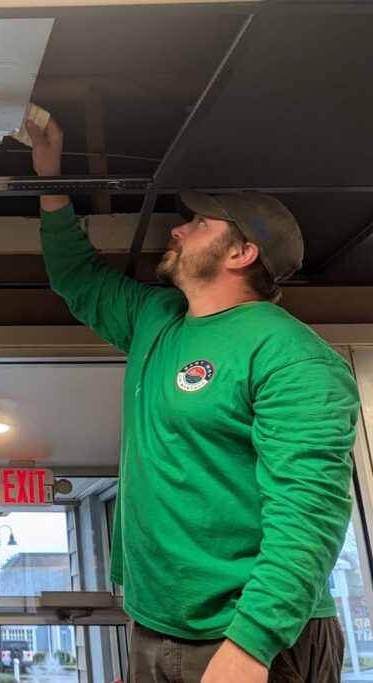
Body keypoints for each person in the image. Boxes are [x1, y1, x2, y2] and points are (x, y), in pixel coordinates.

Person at [27, 118, 359, 682]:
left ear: (241, 253)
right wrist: (49, 177)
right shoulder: (157, 320)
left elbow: (309, 516)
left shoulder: (291, 356)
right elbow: (76, 277)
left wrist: (250, 647)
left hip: (252, 634)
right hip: (156, 627)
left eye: (199, 224)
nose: (177, 233)